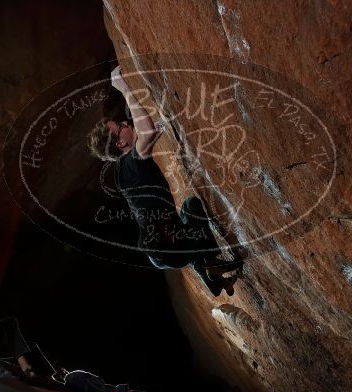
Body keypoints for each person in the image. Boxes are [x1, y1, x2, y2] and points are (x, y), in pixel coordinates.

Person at [87, 66, 239, 296]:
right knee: (194, 208)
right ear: (120, 144)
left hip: (162, 252)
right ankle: (211, 263)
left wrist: (155, 131)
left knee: (188, 209)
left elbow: (145, 139)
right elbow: (145, 135)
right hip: (170, 249)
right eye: (121, 126)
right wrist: (123, 88)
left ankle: (214, 283)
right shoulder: (134, 163)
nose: (126, 124)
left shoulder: (122, 171)